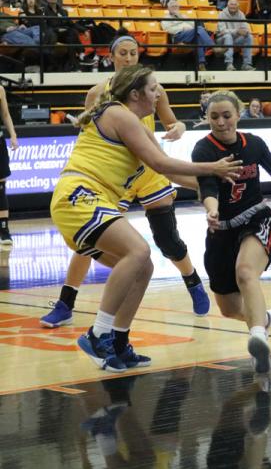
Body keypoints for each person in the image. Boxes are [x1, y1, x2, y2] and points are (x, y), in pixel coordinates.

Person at [50, 64, 241, 372]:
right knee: (138, 250)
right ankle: (99, 334)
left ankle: (119, 343)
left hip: (87, 202)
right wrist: (212, 169)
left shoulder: (135, 124)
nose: (159, 95)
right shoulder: (118, 114)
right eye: (154, 90)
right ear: (136, 93)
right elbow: (160, 161)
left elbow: (165, 169)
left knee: (143, 267)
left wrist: (220, 186)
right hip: (78, 196)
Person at [41, 32, 211, 328]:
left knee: (167, 240)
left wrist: (180, 127)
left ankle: (192, 279)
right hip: (118, 172)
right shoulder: (99, 93)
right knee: (95, 237)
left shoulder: (153, 87)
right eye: (124, 53)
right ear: (112, 57)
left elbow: (171, 124)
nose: (130, 58)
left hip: (149, 167)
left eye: (134, 53)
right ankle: (67, 302)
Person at [191, 90, 271, 373]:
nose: (221, 122)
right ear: (207, 118)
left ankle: (258, 337)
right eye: (214, 117)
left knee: (246, 271)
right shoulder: (203, 149)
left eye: (226, 115)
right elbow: (207, 188)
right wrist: (211, 209)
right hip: (220, 228)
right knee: (229, 309)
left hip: (256, 217)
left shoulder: (254, 144)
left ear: (238, 114)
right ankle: (264, 320)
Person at [161, 0, 214, 72]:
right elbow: (168, 29)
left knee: (198, 36)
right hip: (178, 36)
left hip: (190, 34)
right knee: (199, 29)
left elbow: (193, 24)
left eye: (176, 6)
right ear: (168, 8)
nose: (175, 8)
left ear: (179, 8)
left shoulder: (183, 16)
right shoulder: (165, 18)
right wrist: (182, 28)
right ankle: (212, 46)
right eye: (172, 6)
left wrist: (181, 17)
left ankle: (201, 64)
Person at [44, 0, 84, 71]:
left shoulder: (63, 11)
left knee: (72, 36)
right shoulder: (44, 11)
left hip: (65, 34)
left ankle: (75, 63)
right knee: (71, 35)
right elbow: (47, 26)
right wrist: (58, 29)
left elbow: (70, 23)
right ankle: (80, 56)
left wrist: (83, 30)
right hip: (54, 34)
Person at [0, 85, 18, 245]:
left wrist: (13, 134)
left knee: (1, 187)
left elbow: (5, 114)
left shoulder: (0, 89)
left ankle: (4, 231)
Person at [216, 0, 255, 72]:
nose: (233, 6)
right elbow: (223, 31)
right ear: (227, 5)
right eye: (231, 4)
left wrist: (246, 32)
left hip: (234, 39)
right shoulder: (222, 14)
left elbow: (245, 27)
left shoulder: (241, 14)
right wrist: (237, 31)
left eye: (235, 4)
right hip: (221, 40)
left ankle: (246, 64)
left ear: (238, 6)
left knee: (249, 36)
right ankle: (229, 64)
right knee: (228, 36)